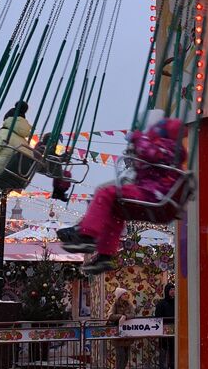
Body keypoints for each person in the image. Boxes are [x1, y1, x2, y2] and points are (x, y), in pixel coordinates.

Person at [59, 109, 188, 274]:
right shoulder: (170, 149)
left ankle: (87, 234)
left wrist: (138, 139)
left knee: (105, 193)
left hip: (153, 195)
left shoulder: (167, 147)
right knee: (115, 209)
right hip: (154, 195)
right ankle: (105, 254)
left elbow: (151, 153)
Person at [108, 287, 135, 369]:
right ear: (120, 296)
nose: (126, 295)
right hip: (118, 334)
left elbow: (133, 314)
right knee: (120, 355)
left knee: (126, 355)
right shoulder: (115, 305)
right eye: (124, 294)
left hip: (127, 334)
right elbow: (110, 316)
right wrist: (120, 316)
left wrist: (126, 316)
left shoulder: (129, 304)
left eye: (126, 294)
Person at [154, 283, 176, 369]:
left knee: (173, 349)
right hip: (164, 330)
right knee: (164, 349)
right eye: (171, 290)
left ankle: (173, 368)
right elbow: (158, 317)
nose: (173, 292)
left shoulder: (176, 302)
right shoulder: (161, 304)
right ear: (167, 291)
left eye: (174, 290)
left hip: (175, 330)